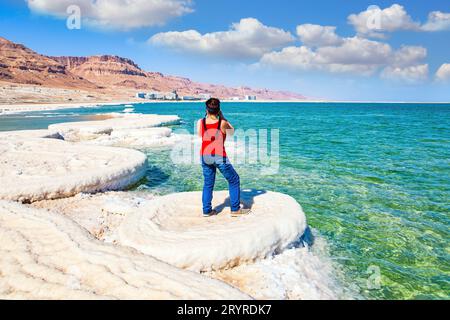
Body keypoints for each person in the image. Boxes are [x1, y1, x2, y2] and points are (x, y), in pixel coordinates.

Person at [197, 98, 251, 218]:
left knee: (208, 184)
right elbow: (232, 132)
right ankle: (235, 209)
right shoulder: (222, 123)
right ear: (219, 110)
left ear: (206, 109)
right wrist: (223, 117)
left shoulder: (200, 122)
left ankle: (207, 211)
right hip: (219, 155)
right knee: (234, 179)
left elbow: (200, 134)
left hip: (204, 155)